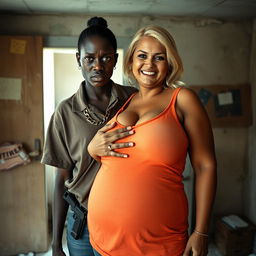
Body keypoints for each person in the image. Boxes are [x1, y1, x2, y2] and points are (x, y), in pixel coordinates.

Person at [87, 25, 217, 256]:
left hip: (158, 243)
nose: (149, 64)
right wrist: (92, 148)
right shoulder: (126, 101)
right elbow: (113, 155)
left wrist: (201, 231)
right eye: (142, 56)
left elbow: (205, 165)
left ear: (170, 63)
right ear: (130, 62)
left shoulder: (183, 99)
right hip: (102, 240)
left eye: (159, 57)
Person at [41, 17, 137, 256]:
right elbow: (61, 178)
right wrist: (56, 244)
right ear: (78, 60)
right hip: (82, 223)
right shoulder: (65, 112)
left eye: (105, 58)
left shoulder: (134, 100)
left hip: (127, 218)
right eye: (89, 58)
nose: (98, 66)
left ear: (115, 60)